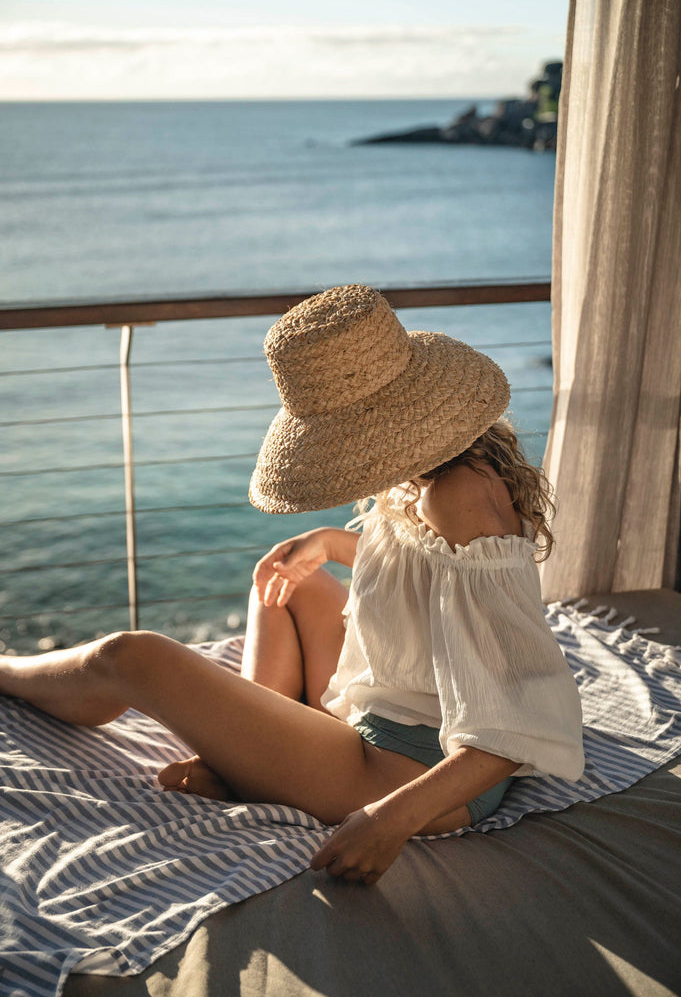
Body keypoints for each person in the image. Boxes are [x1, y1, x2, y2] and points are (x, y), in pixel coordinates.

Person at [0, 285, 584, 886]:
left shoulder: (457, 494)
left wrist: (389, 820)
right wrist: (333, 543)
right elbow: (432, 579)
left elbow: (518, 715)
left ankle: (5, 671)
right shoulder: (438, 469)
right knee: (288, 582)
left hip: (416, 771)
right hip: (389, 718)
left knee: (128, 656)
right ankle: (242, 757)